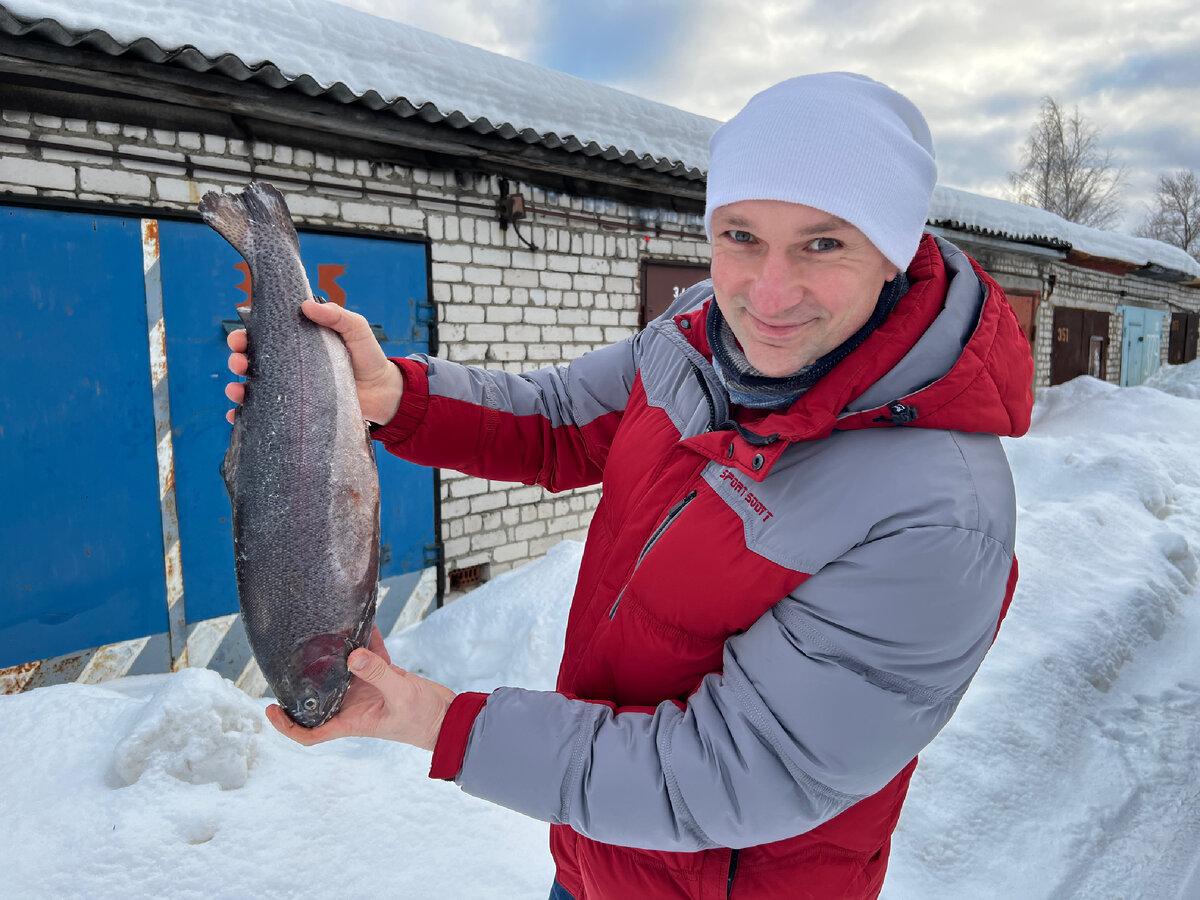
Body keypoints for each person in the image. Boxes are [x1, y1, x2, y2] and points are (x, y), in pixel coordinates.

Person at [225, 72, 1033, 899]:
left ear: (894, 250)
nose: (770, 291)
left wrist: (437, 722)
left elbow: (734, 775)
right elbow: (557, 419)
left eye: (823, 243)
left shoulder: (940, 514)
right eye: (740, 234)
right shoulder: (693, 339)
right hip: (595, 854)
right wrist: (388, 395)